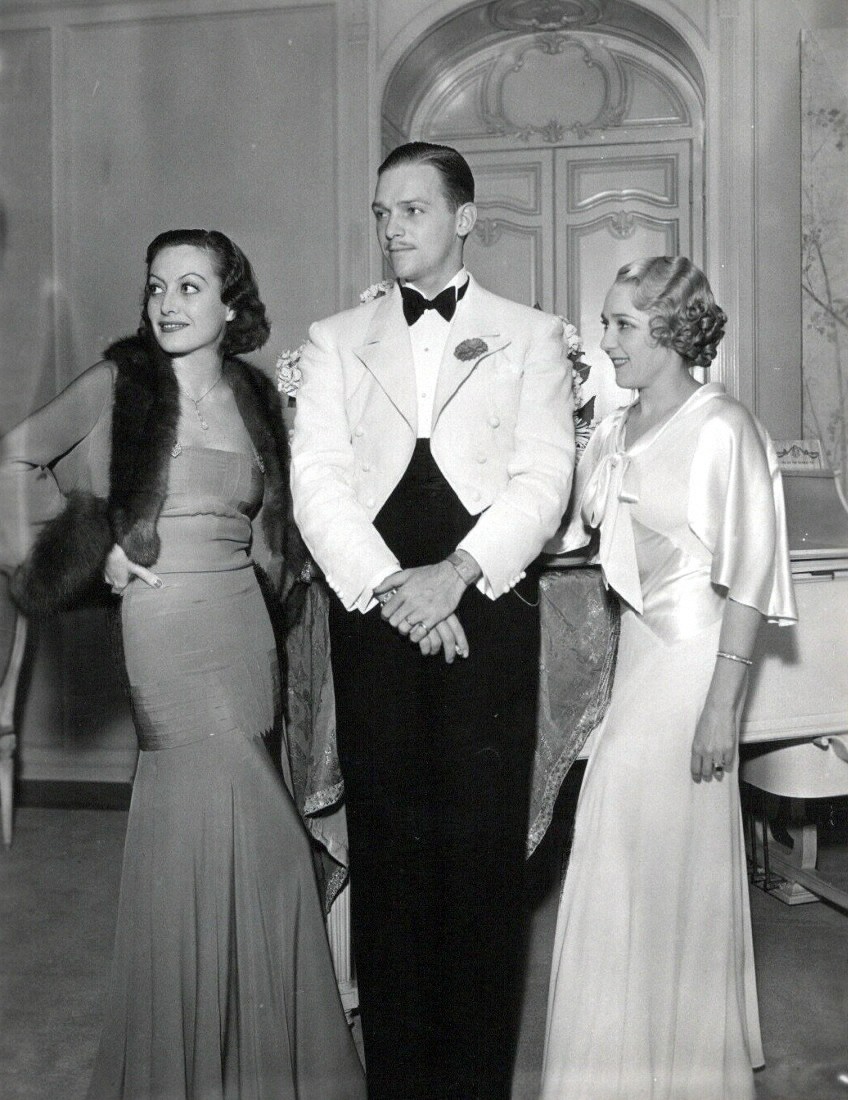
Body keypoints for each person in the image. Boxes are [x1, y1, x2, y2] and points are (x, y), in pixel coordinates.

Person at [0, 229, 365, 1099]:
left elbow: (279, 528)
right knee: (261, 836)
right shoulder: (120, 382)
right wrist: (97, 550)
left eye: (191, 287)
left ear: (230, 304)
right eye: (158, 286)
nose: (167, 303)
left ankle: (246, 1064)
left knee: (241, 830)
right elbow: (12, 460)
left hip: (244, 632)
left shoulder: (254, 396)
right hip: (164, 629)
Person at [290, 141, 575, 1100]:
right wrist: (389, 590)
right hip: (377, 615)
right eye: (381, 212)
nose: (393, 228)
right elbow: (317, 485)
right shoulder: (334, 340)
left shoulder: (532, 334)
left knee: (482, 859)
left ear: (463, 218)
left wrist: (454, 575)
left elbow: (545, 482)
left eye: (412, 209)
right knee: (391, 852)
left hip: (486, 608)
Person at [540, 256, 798, 1100]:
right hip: (638, 658)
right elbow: (571, 537)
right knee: (629, 852)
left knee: (633, 844)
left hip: (693, 665)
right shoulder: (613, 433)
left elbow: (753, 576)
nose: (604, 339)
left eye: (620, 325)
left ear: (670, 331)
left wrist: (724, 705)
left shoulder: (723, 425)